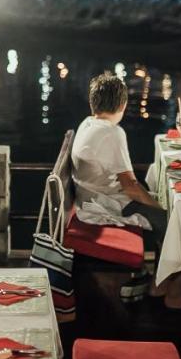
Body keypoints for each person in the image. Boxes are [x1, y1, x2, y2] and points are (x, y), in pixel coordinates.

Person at [70, 73, 168, 296]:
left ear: (92, 102)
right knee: (169, 220)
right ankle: (160, 287)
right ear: (123, 104)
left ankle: (155, 278)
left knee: (161, 207)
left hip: (89, 198)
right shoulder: (112, 132)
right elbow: (131, 186)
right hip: (105, 204)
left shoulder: (87, 124)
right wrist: (158, 207)